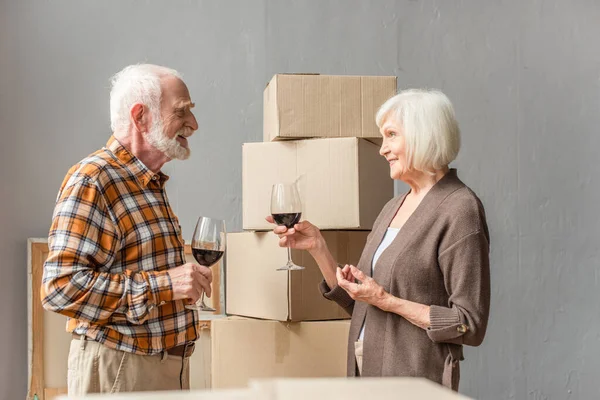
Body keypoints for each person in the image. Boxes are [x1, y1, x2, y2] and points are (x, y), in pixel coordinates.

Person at [268, 89, 490, 391]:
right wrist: (318, 248)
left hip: (415, 383)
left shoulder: (460, 209)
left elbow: (469, 324)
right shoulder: (393, 207)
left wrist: (386, 300)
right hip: (366, 374)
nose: (382, 149)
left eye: (391, 135)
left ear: (423, 135)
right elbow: (363, 304)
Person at [41, 64, 212, 394]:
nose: (194, 125)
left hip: (162, 369)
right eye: (182, 113)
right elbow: (60, 287)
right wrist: (164, 285)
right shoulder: (94, 179)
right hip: (121, 369)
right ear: (141, 116)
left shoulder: (146, 182)